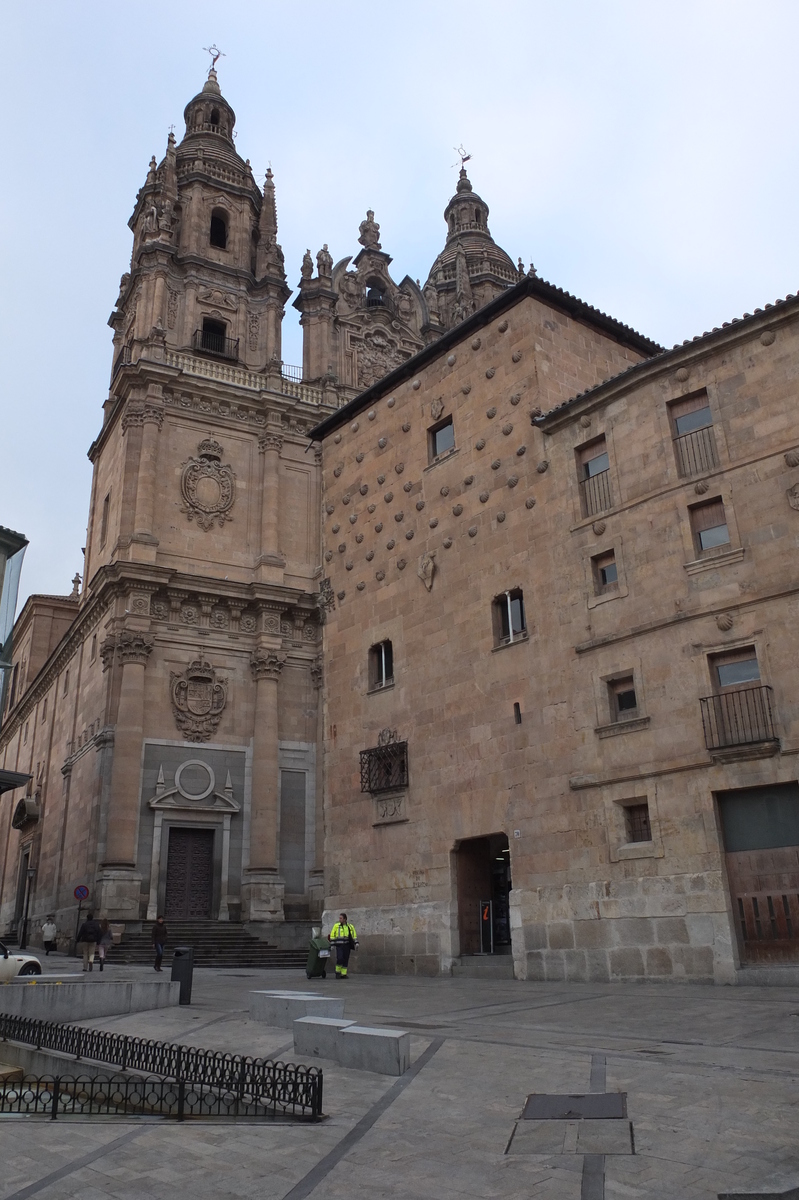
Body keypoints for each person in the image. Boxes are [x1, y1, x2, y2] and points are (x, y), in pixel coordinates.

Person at [328, 912, 358, 979]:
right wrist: (332, 944)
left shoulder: (350, 926)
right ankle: (337, 971)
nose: (339, 919)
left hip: (347, 945)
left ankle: (343, 974)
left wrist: (356, 943)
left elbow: (354, 936)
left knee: (346, 959)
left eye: (341, 918)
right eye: (339, 918)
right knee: (340, 958)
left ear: (345, 919)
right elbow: (332, 935)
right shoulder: (336, 926)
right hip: (339, 945)